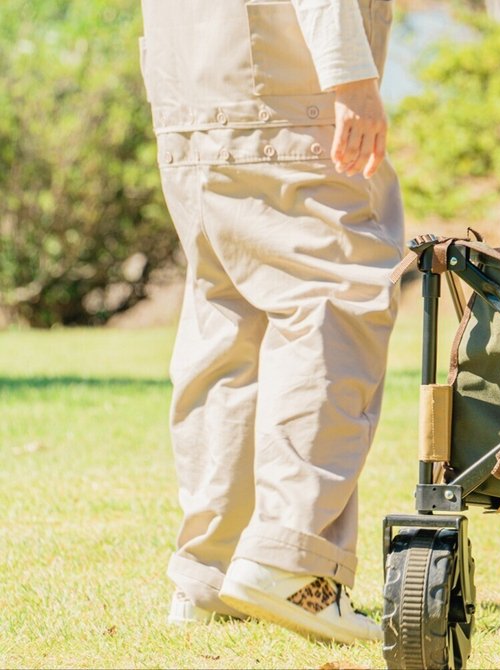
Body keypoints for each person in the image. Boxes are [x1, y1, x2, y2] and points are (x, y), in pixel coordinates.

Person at [139, 0, 402, 643]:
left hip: (192, 96)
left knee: (228, 323)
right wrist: (350, 75)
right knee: (332, 299)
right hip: (285, 96)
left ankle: (211, 573)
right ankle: (290, 564)